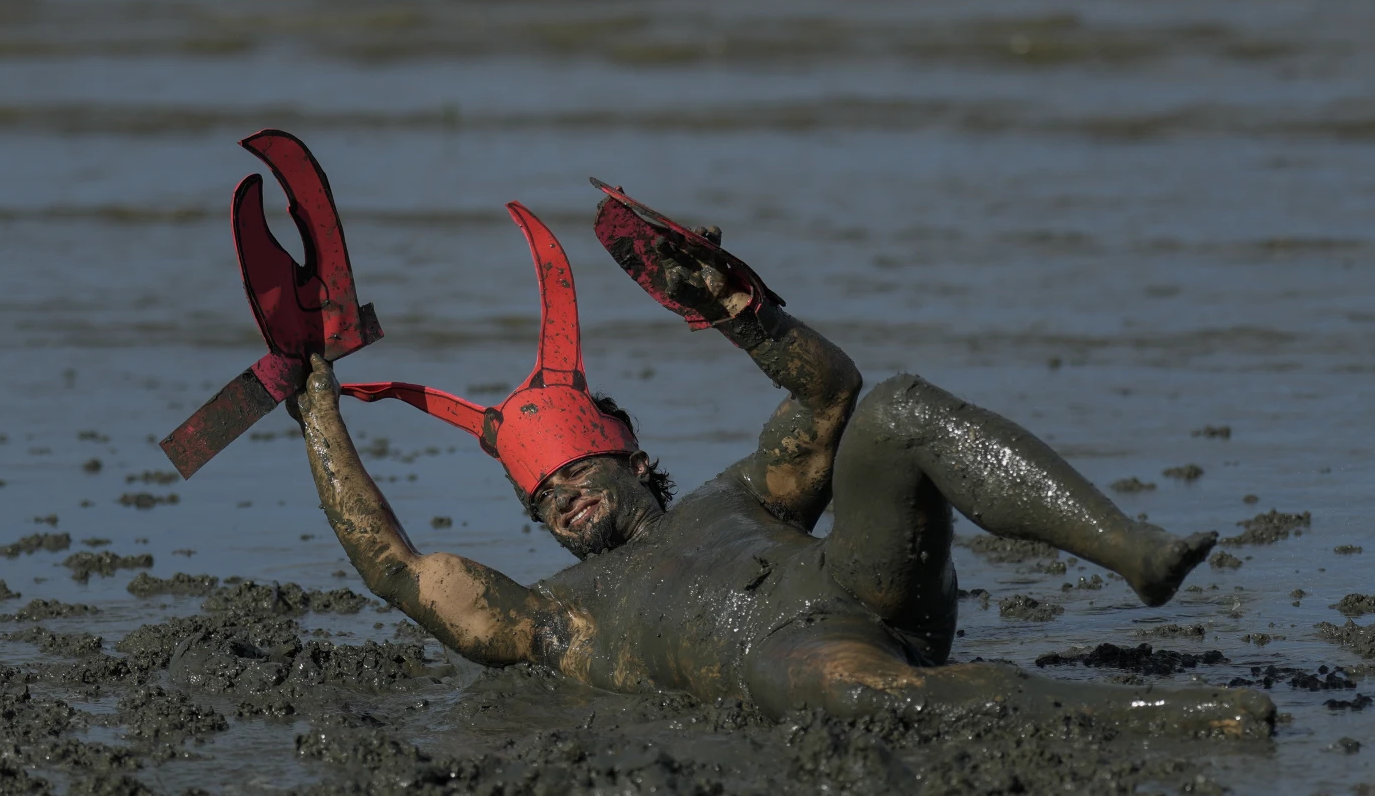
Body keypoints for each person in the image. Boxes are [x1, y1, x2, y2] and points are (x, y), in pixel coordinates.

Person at [292, 189, 1272, 735]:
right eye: (541, 495)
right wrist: (317, 406)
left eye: (573, 471)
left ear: (625, 450)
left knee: (895, 407)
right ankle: (1173, 713)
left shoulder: (738, 493)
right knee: (862, 690)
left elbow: (827, 397)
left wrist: (741, 313)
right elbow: (395, 567)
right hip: (787, 656)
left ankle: (1132, 549)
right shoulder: (561, 615)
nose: (561, 496)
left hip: (864, 582)